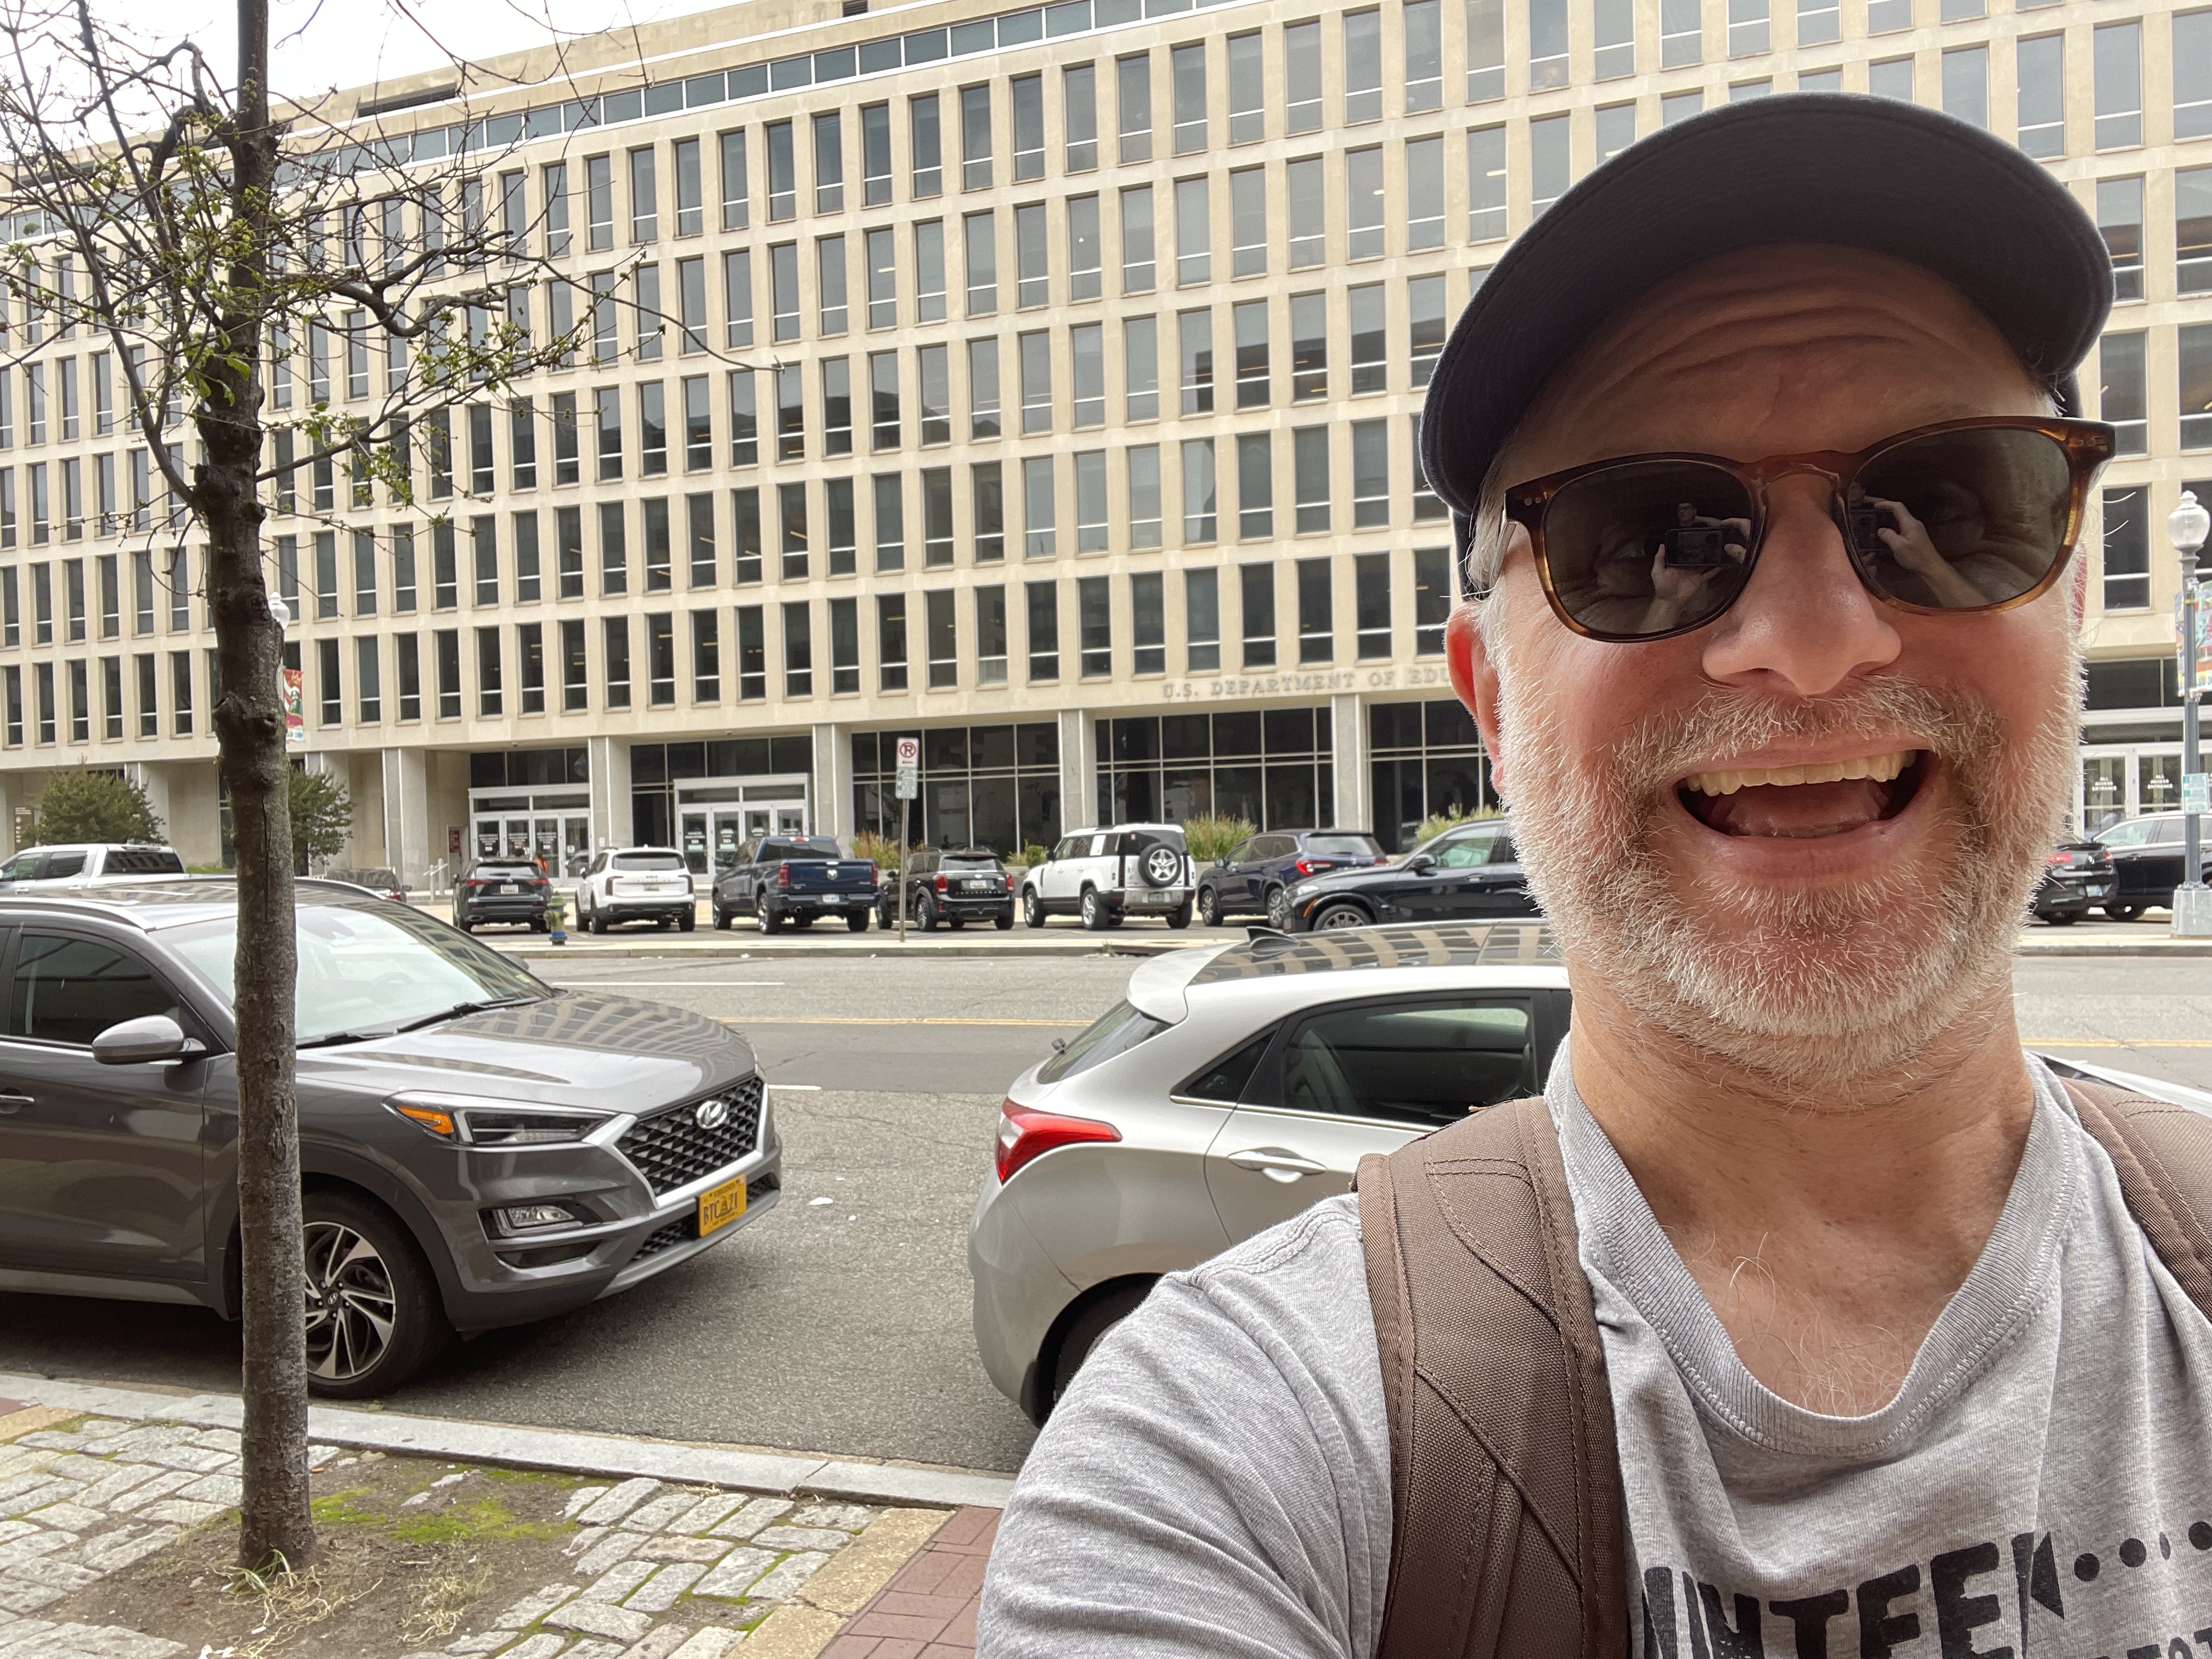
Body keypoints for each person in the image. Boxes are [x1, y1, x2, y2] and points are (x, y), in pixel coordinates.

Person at [977, 95, 2211, 1658]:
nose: (1813, 642)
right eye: (1648, 538)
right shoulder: (1234, 1439)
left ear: (2072, 599)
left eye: (1951, 509)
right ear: (1493, 702)